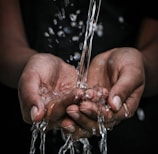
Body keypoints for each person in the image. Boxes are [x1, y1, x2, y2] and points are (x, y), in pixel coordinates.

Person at [0, 0, 158, 154]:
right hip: (17, 123)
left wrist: (143, 67)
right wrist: (28, 66)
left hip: (131, 131)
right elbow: (6, 45)